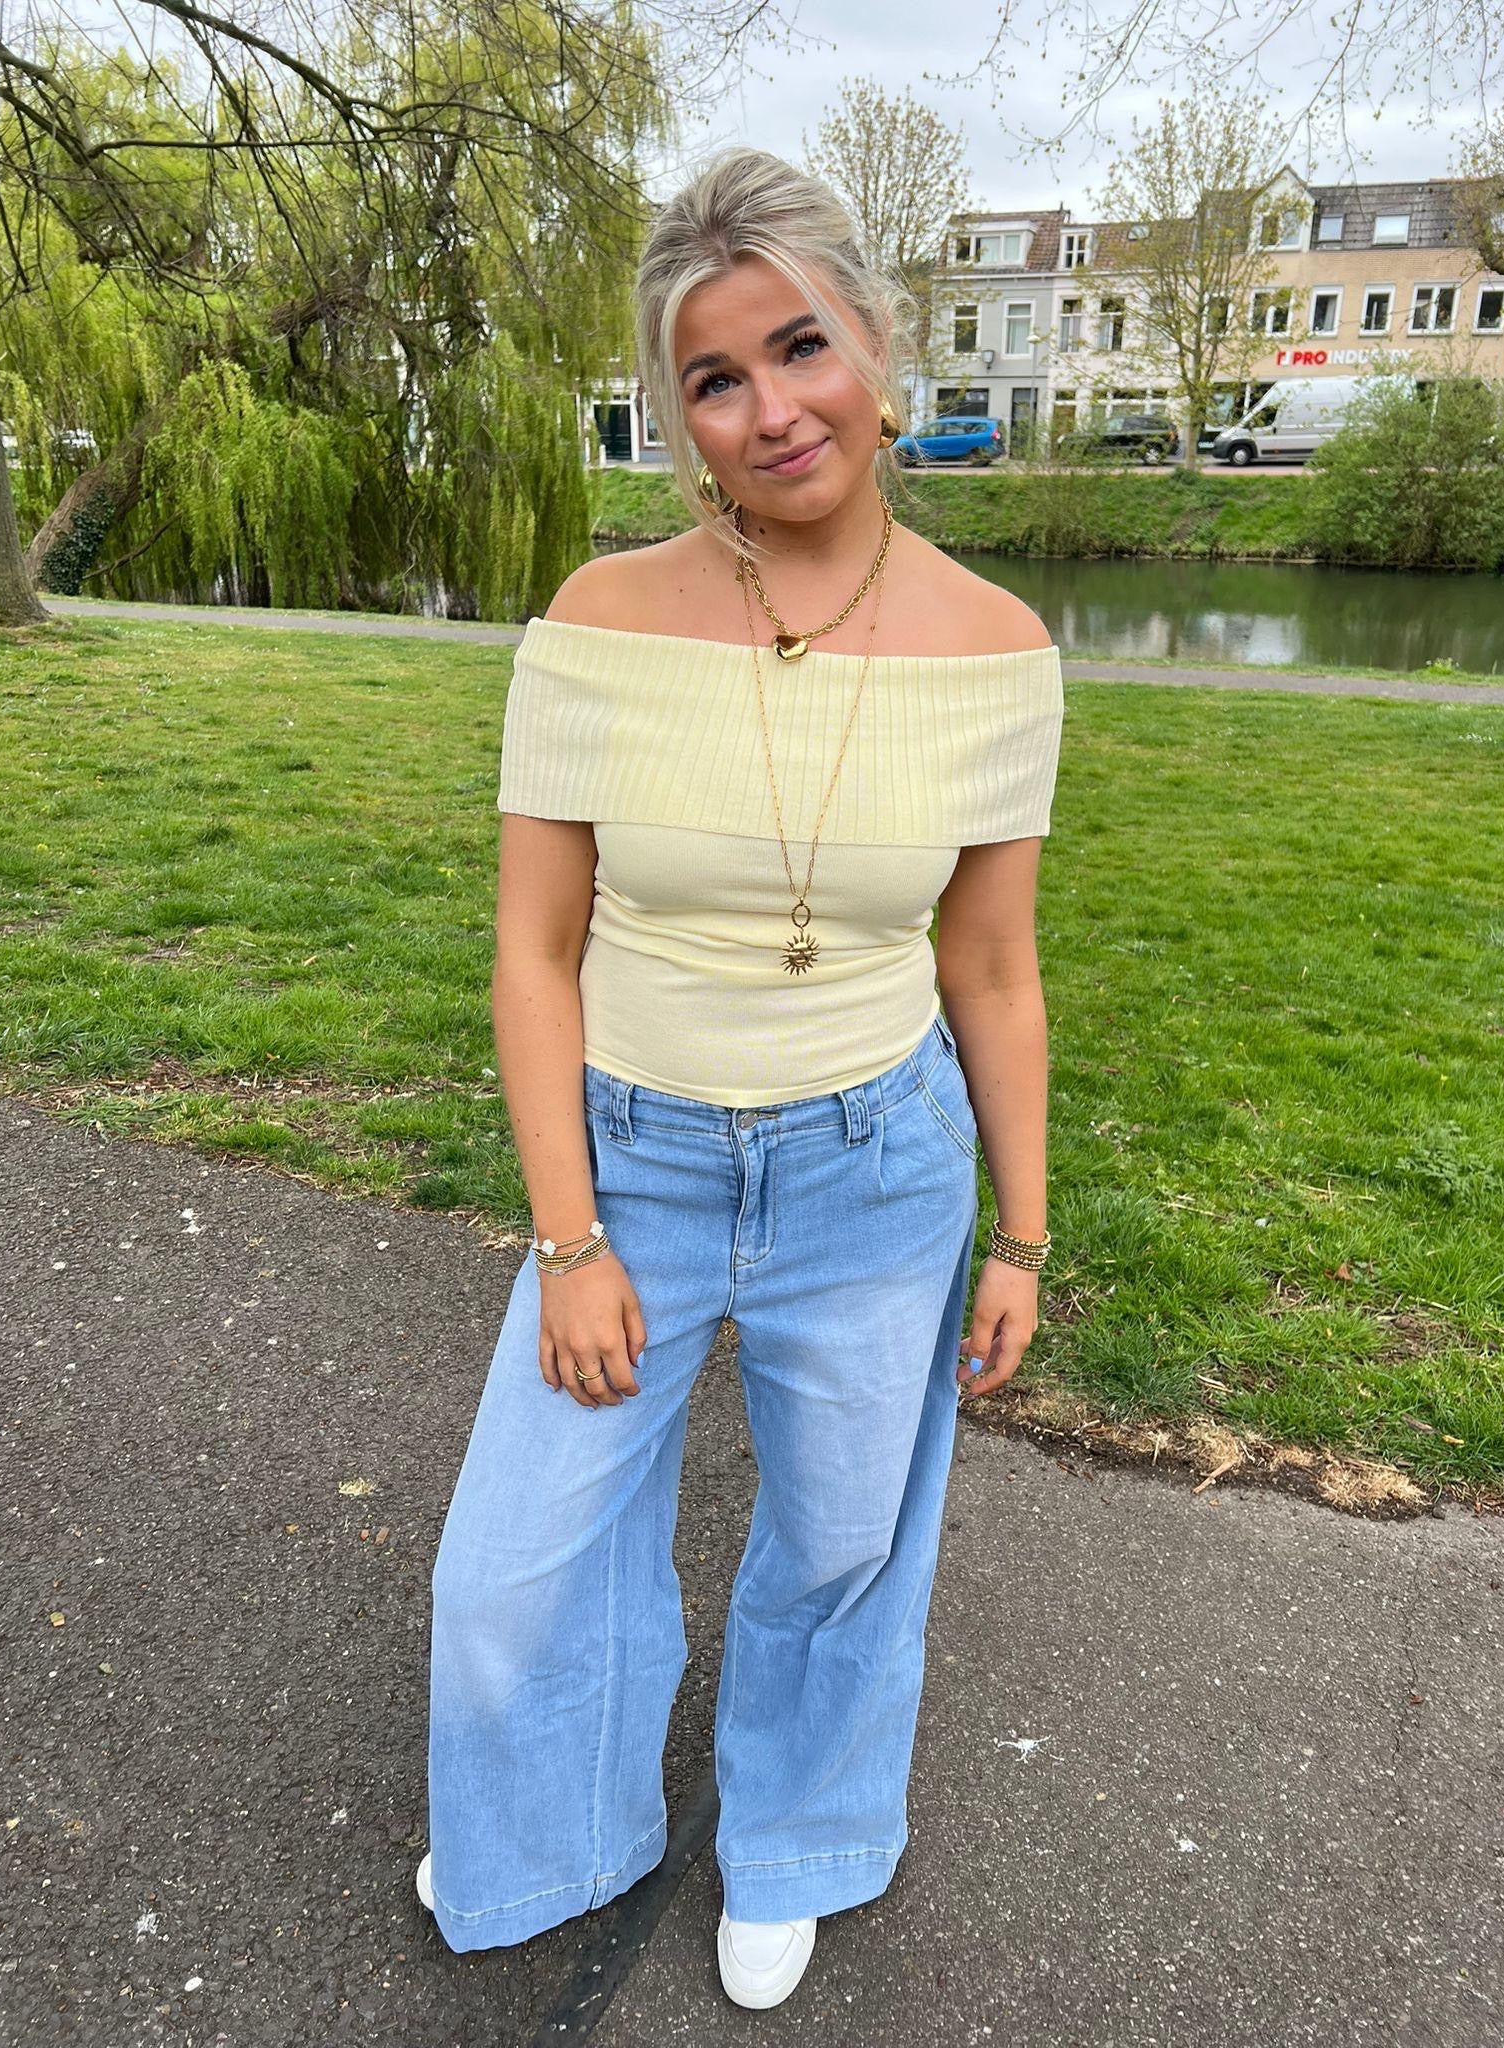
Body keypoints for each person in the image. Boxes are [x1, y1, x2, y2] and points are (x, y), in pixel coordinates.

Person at [420, 145, 1064, 2010]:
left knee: (847, 1542)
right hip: (633, 1159)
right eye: (715, 376)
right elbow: (534, 953)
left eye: (799, 348)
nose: (770, 408)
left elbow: (993, 970)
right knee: (517, 1566)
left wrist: (1021, 1240)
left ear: (877, 345)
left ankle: (788, 1838)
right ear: (679, 414)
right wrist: (569, 1237)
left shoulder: (999, 652)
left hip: (877, 1168)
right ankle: (552, 1816)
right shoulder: (600, 622)